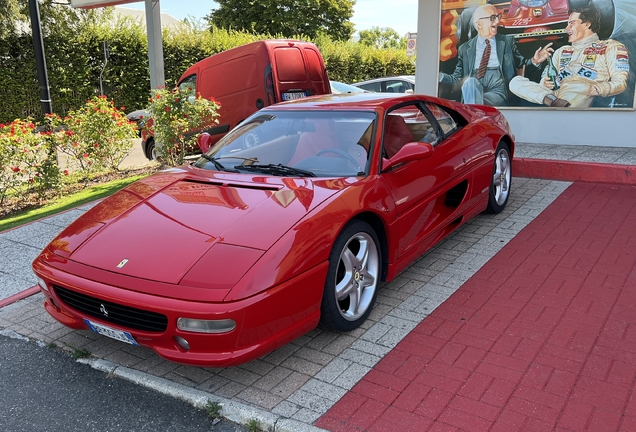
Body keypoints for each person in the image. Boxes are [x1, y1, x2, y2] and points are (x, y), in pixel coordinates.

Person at [509, 4, 629, 108]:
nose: (567, 29)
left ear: (587, 23)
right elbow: (545, 79)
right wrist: (545, 83)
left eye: (571, 24)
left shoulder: (611, 46)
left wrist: (597, 89)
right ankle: (554, 102)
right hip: (556, 95)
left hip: (583, 92)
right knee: (515, 81)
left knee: (577, 86)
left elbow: (621, 82)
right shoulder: (561, 51)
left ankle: (561, 109)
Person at [439, 3, 553, 106]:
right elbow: (457, 78)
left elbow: (521, 66)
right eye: (492, 18)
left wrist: (535, 60)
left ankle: (475, 120)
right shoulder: (465, 49)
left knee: (473, 103)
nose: (497, 21)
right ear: (479, 24)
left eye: (497, 17)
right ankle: (478, 119)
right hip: (473, 87)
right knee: (469, 83)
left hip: (498, 88)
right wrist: (440, 76)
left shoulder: (507, 42)